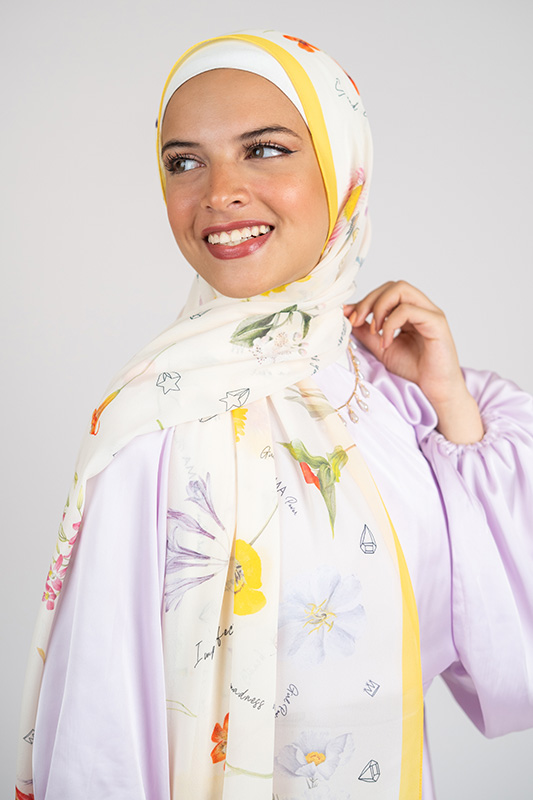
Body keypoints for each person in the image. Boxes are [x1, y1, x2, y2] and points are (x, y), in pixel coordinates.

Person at [15, 30, 533, 800]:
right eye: (183, 162)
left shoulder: (394, 397)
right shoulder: (155, 422)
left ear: (342, 167)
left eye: (264, 150)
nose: (219, 191)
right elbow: (103, 726)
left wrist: (449, 398)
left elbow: (503, 648)